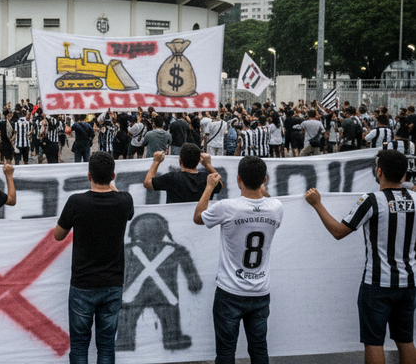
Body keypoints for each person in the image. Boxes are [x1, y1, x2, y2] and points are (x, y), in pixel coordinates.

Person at [304, 150, 416, 364]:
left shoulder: (372, 200)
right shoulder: (415, 199)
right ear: (404, 175)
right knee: (406, 340)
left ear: (379, 171)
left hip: (377, 284)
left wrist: (317, 204)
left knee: (374, 342)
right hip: (409, 283)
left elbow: (339, 231)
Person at [193, 156, 283, 364]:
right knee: (259, 349)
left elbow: (198, 217)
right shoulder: (276, 207)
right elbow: (268, 201)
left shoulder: (227, 207)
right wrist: (262, 190)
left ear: (238, 179)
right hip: (260, 290)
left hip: (230, 290)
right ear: (264, 180)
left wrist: (209, 187)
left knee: (226, 351)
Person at [54, 151, 134, 364]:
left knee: (79, 345)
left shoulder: (76, 202)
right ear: (113, 176)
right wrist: (111, 185)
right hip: (112, 284)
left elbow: (58, 235)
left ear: (88, 175)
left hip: (83, 284)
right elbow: (123, 203)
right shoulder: (125, 201)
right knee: (107, 345)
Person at [144, 143, 222, 203]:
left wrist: (156, 162)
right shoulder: (208, 179)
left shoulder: (172, 178)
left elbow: (147, 183)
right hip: (200, 219)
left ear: (180, 160)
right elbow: (219, 184)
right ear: (199, 161)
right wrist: (208, 165)